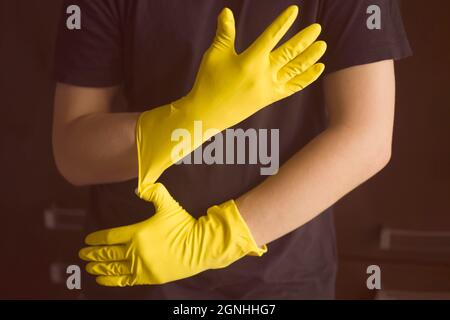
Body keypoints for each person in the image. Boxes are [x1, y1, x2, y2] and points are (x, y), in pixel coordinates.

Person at [53, 0, 411, 299]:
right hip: (135, 265)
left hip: (282, 280)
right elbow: (73, 152)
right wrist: (192, 117)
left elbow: (367, 137)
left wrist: (214, 240)